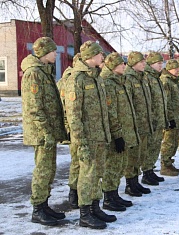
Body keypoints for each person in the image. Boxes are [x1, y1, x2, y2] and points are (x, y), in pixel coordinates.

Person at [65, 41, 116, 229]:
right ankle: (85, 213)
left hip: (100, 136)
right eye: (100, 54)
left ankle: (95, 207)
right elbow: (73, 115)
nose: (103, 57)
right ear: (91, 57)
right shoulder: (77, 79)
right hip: (87, 138)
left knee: (97, 174)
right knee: (87, 175)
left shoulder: (96, 77)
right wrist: (80, 142)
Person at [21, 37, 67, 226]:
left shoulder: (44, 71)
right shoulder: (34, 74)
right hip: (41, 133)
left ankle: (44, 204)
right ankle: (38, 209)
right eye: (53, 51)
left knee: (49, 169)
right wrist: (46, 132)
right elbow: (34, 107)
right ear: (43, 52)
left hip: (48, 131)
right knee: (42, 170)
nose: (55, 54)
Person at [100, 52, 140, 211]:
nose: (124, 66)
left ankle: (114, 194)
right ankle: (108, 198)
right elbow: (111, 112)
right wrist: (117, 134)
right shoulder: (108, 83)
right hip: (116, 132)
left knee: (120, 164)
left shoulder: (120, 81)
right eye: (121, 64)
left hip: (125, 130)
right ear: (112, 66)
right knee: (112, 165)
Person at [123, 51, 153, 196]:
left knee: (140, 154)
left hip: (144, 123)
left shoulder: (142, 78)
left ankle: (136, 181)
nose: (144, 64)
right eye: (141, 62)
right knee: (132, 155)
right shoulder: (128, 79)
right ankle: (130, 183)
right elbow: (127, 104)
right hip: (133, 124)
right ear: (134, 63)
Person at [56, 53, 81, 209]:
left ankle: (80, 191)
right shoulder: (68, 80)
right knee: (77, 162)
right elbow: (64, 107)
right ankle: (74, 192)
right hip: (72, 127)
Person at [142, 52, 168, 185]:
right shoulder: (147, 77)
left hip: (159, 119)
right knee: (149, 146)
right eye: (159, 63)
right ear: (151, 64)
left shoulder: (157, 78)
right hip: (151, 120)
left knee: (156, 146)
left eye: (162, 63)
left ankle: (150, 170)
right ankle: (146, 172)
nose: (161, 65)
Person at [159, 59, 179, 176]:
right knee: (168, 142)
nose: (178, 70)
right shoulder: (166, 81)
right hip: (171, 119)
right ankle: (165, 165)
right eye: (175, 68)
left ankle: (169, 163)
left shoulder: (175, 81)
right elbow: (166, 102)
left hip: (178, 117)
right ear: (169, 69)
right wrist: (170, 118)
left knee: (174, 142)